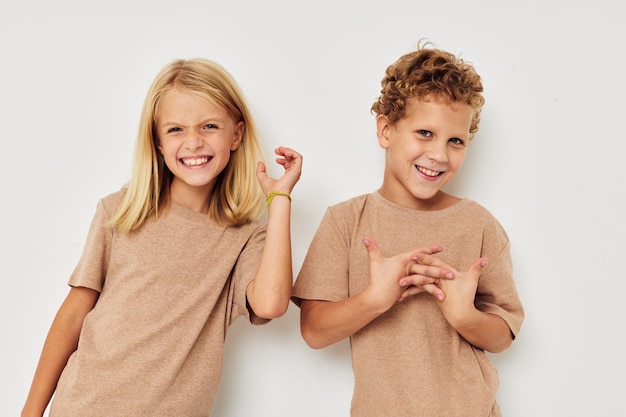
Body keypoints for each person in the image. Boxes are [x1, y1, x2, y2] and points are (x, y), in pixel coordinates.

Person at [21, 58, 302, 417]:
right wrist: (31, 411)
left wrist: (279, 200)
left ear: (236, 134)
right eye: (175, 130)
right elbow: (74, 314)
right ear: (156, 141)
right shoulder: (120, 212)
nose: (194, 142)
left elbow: (271, 304)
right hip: (84, 406)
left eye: (210, 126)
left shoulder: (246, 238)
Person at [292, 42, 524, 417]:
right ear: (386, 130)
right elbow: (314, 331)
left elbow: (503, 335)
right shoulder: (345, 220)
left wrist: (465, 316)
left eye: (456, 141)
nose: (439, 155)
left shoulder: (480, 225)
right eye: (425, 133)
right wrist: (376, 298)